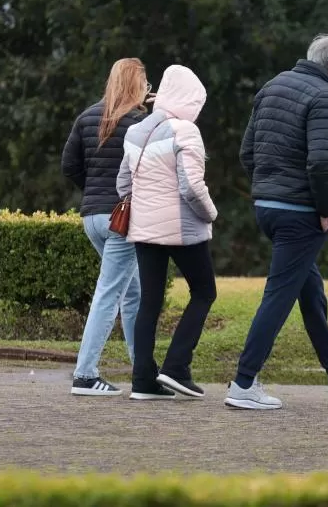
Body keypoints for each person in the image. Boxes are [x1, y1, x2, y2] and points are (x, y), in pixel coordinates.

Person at [225, 34, 328, 410]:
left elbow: (247, 152)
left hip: (267, 206)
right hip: (299, 213)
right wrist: (325, 210)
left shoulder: (272, 86)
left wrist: (267, 188)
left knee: (310, 291)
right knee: (279, 296)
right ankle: (243, 383)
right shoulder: (324, 97)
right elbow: (320, 163)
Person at [118, 64, 218, 401]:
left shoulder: (136, 131)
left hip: (143, 230)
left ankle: (142, 380)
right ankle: (177, 367)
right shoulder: (184, 131)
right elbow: (191, 187)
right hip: (182, 229)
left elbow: (122, 184)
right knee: (204, 292)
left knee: (150, 301)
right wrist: (211, 214)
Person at [61, 57, 153, 396]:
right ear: (136, 83)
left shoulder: (87, 116)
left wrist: (94, 192)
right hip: (122, 218)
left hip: (93, 218)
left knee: (133, 291)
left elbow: (68, 165)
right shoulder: (138, 122)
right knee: (110, 293)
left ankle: (141, 367)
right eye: (144, 81)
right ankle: (85, 375)